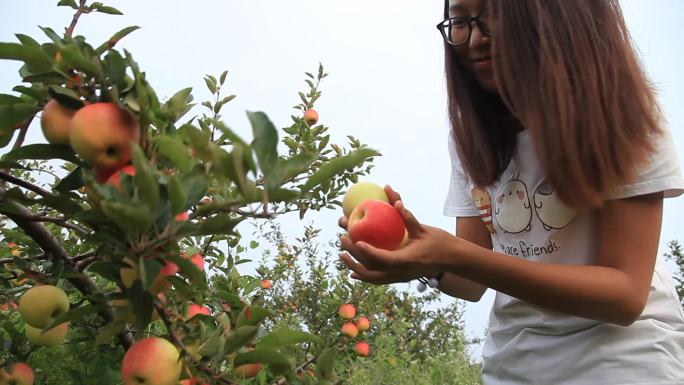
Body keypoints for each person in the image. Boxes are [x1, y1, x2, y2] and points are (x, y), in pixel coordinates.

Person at [338, 0, 684, 384]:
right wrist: (413, 254)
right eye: (460, 21)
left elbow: (625, 296)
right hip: (514, 367)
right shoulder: (473, 137)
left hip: (623, 364)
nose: (473, 39)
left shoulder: (621, 117)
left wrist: (455, 255)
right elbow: (472, 281)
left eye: (495, 17)